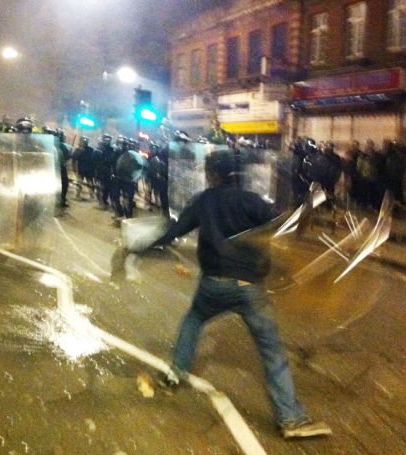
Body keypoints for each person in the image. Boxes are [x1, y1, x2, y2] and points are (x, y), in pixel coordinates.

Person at [136, 150, 331, 439]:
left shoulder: (204, 200)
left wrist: (140, 248)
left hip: (213, 284)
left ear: (212, 173)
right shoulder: (251, 200)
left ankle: (175, 374)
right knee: (272, 352)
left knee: (194, 319)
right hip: (249, 288)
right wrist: (309, 206)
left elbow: (175, 230)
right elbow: (286, 226)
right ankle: (291, 419)